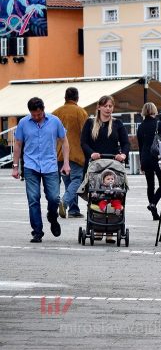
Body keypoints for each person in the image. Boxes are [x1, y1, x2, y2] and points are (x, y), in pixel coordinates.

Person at [11, 97, 71, 243]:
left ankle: (52, 217)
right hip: (30, 166)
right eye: (34, 115)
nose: (37, 117)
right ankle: (37, 231)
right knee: (33, 199)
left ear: (43, 110)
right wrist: (15, 166)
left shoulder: (55, 121)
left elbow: (64, 142)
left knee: (53, 197)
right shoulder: (23, 123)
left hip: (50, 165)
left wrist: (66, 163)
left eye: (39, 114)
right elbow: (18, 145)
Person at [52, 87, 88, 219]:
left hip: (59, 153)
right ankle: (65, 202)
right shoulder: (81, 112)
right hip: (76, 153)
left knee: (68, 181)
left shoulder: (56, 113)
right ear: (77, 98)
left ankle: (73, 210)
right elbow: (87, 133)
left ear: (65, 97)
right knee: (77, 180)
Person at [137, 103, 161, 220]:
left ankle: (154, 213)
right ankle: (153, 203)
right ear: (154, 110)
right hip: (155, 157)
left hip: (145, 158)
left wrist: (141, 162)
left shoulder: (140, 126)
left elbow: (140, 146)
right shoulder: (159, 124)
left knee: (150, 185)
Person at [81, 95, 131, 166]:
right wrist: (91, 153)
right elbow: (84, 143)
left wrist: (123, 155)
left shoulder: (117, 123)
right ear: (99, 107)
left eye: (110, 106)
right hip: (94, 163)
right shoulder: (89, 123)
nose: (108, 108)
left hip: (113, 163)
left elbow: (126, 143)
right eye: (105, 106)